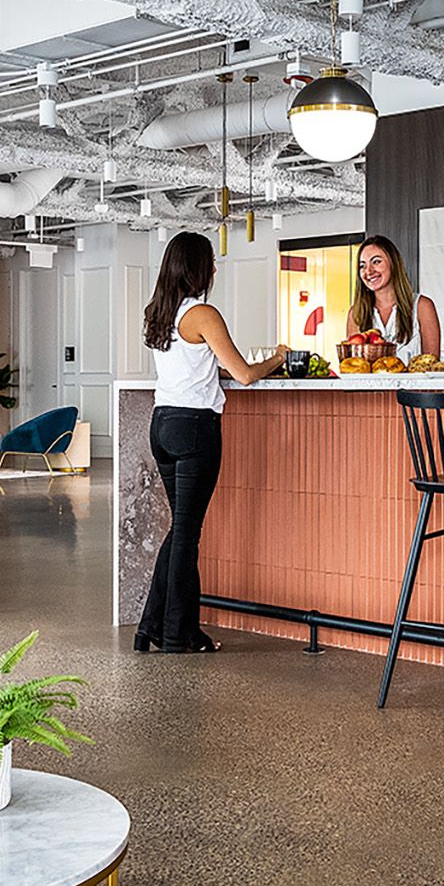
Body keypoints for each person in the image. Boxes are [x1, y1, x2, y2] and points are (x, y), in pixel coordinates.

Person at [138, 232, 288, 654]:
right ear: (196, 268)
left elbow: (198, 368)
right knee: (187, 534)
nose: (215, 270)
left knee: (180, 531)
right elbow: (242, 374)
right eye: (211, 263)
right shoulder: (203, 313)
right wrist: (279, 356)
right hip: (195, 428)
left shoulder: (159, 312)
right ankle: (176, 635)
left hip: (162, 424)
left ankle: (151, 626)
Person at [346, 234, 442, 361]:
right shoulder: (356, 314)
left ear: (393, 263)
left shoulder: (422, 306)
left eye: (376, 262)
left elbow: (431, 367)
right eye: (362, 265)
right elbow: (353, 368)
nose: (368, 271)